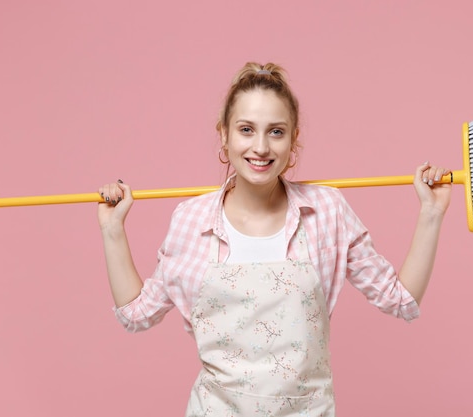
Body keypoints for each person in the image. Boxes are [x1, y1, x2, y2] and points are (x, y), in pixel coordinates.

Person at [97, 62, 451, 416]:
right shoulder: (191, 219)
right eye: (247, 129)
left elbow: (399, 299)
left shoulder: (326, 210)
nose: (261, 147)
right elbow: (137, 314)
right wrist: (113, 230)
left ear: (294, 138)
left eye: (276, 132)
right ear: (224, 134)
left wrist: (431, 214)